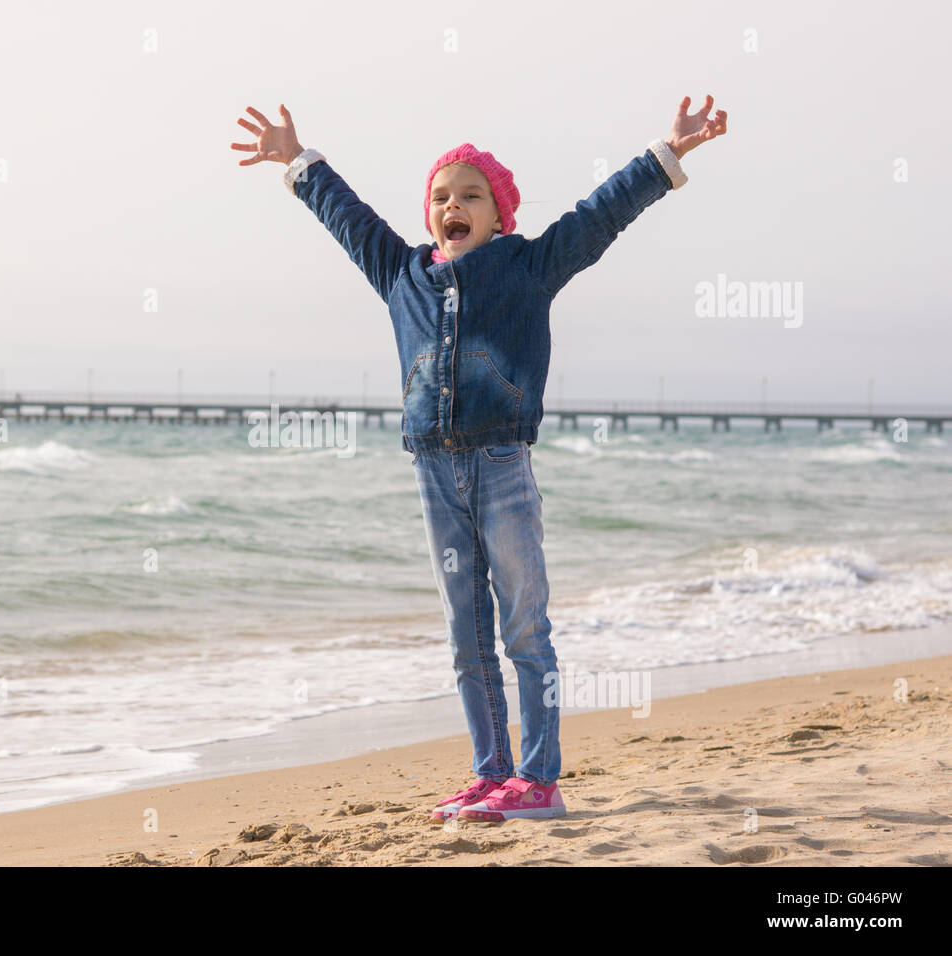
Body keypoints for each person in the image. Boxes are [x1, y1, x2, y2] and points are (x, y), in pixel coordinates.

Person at [231, 98, 727, 823]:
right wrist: (299, 162)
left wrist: (665, 154)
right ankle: (491, 773)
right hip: (433, 468)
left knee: (524, 629)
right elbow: (349, 218)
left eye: (471, 195)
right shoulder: (401, 273)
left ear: (501, 215)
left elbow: (600, 214)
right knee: (466, 637)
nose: (452, 205)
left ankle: (540, 780)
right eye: (440, 196)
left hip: (502, 465)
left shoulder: (526, 268)